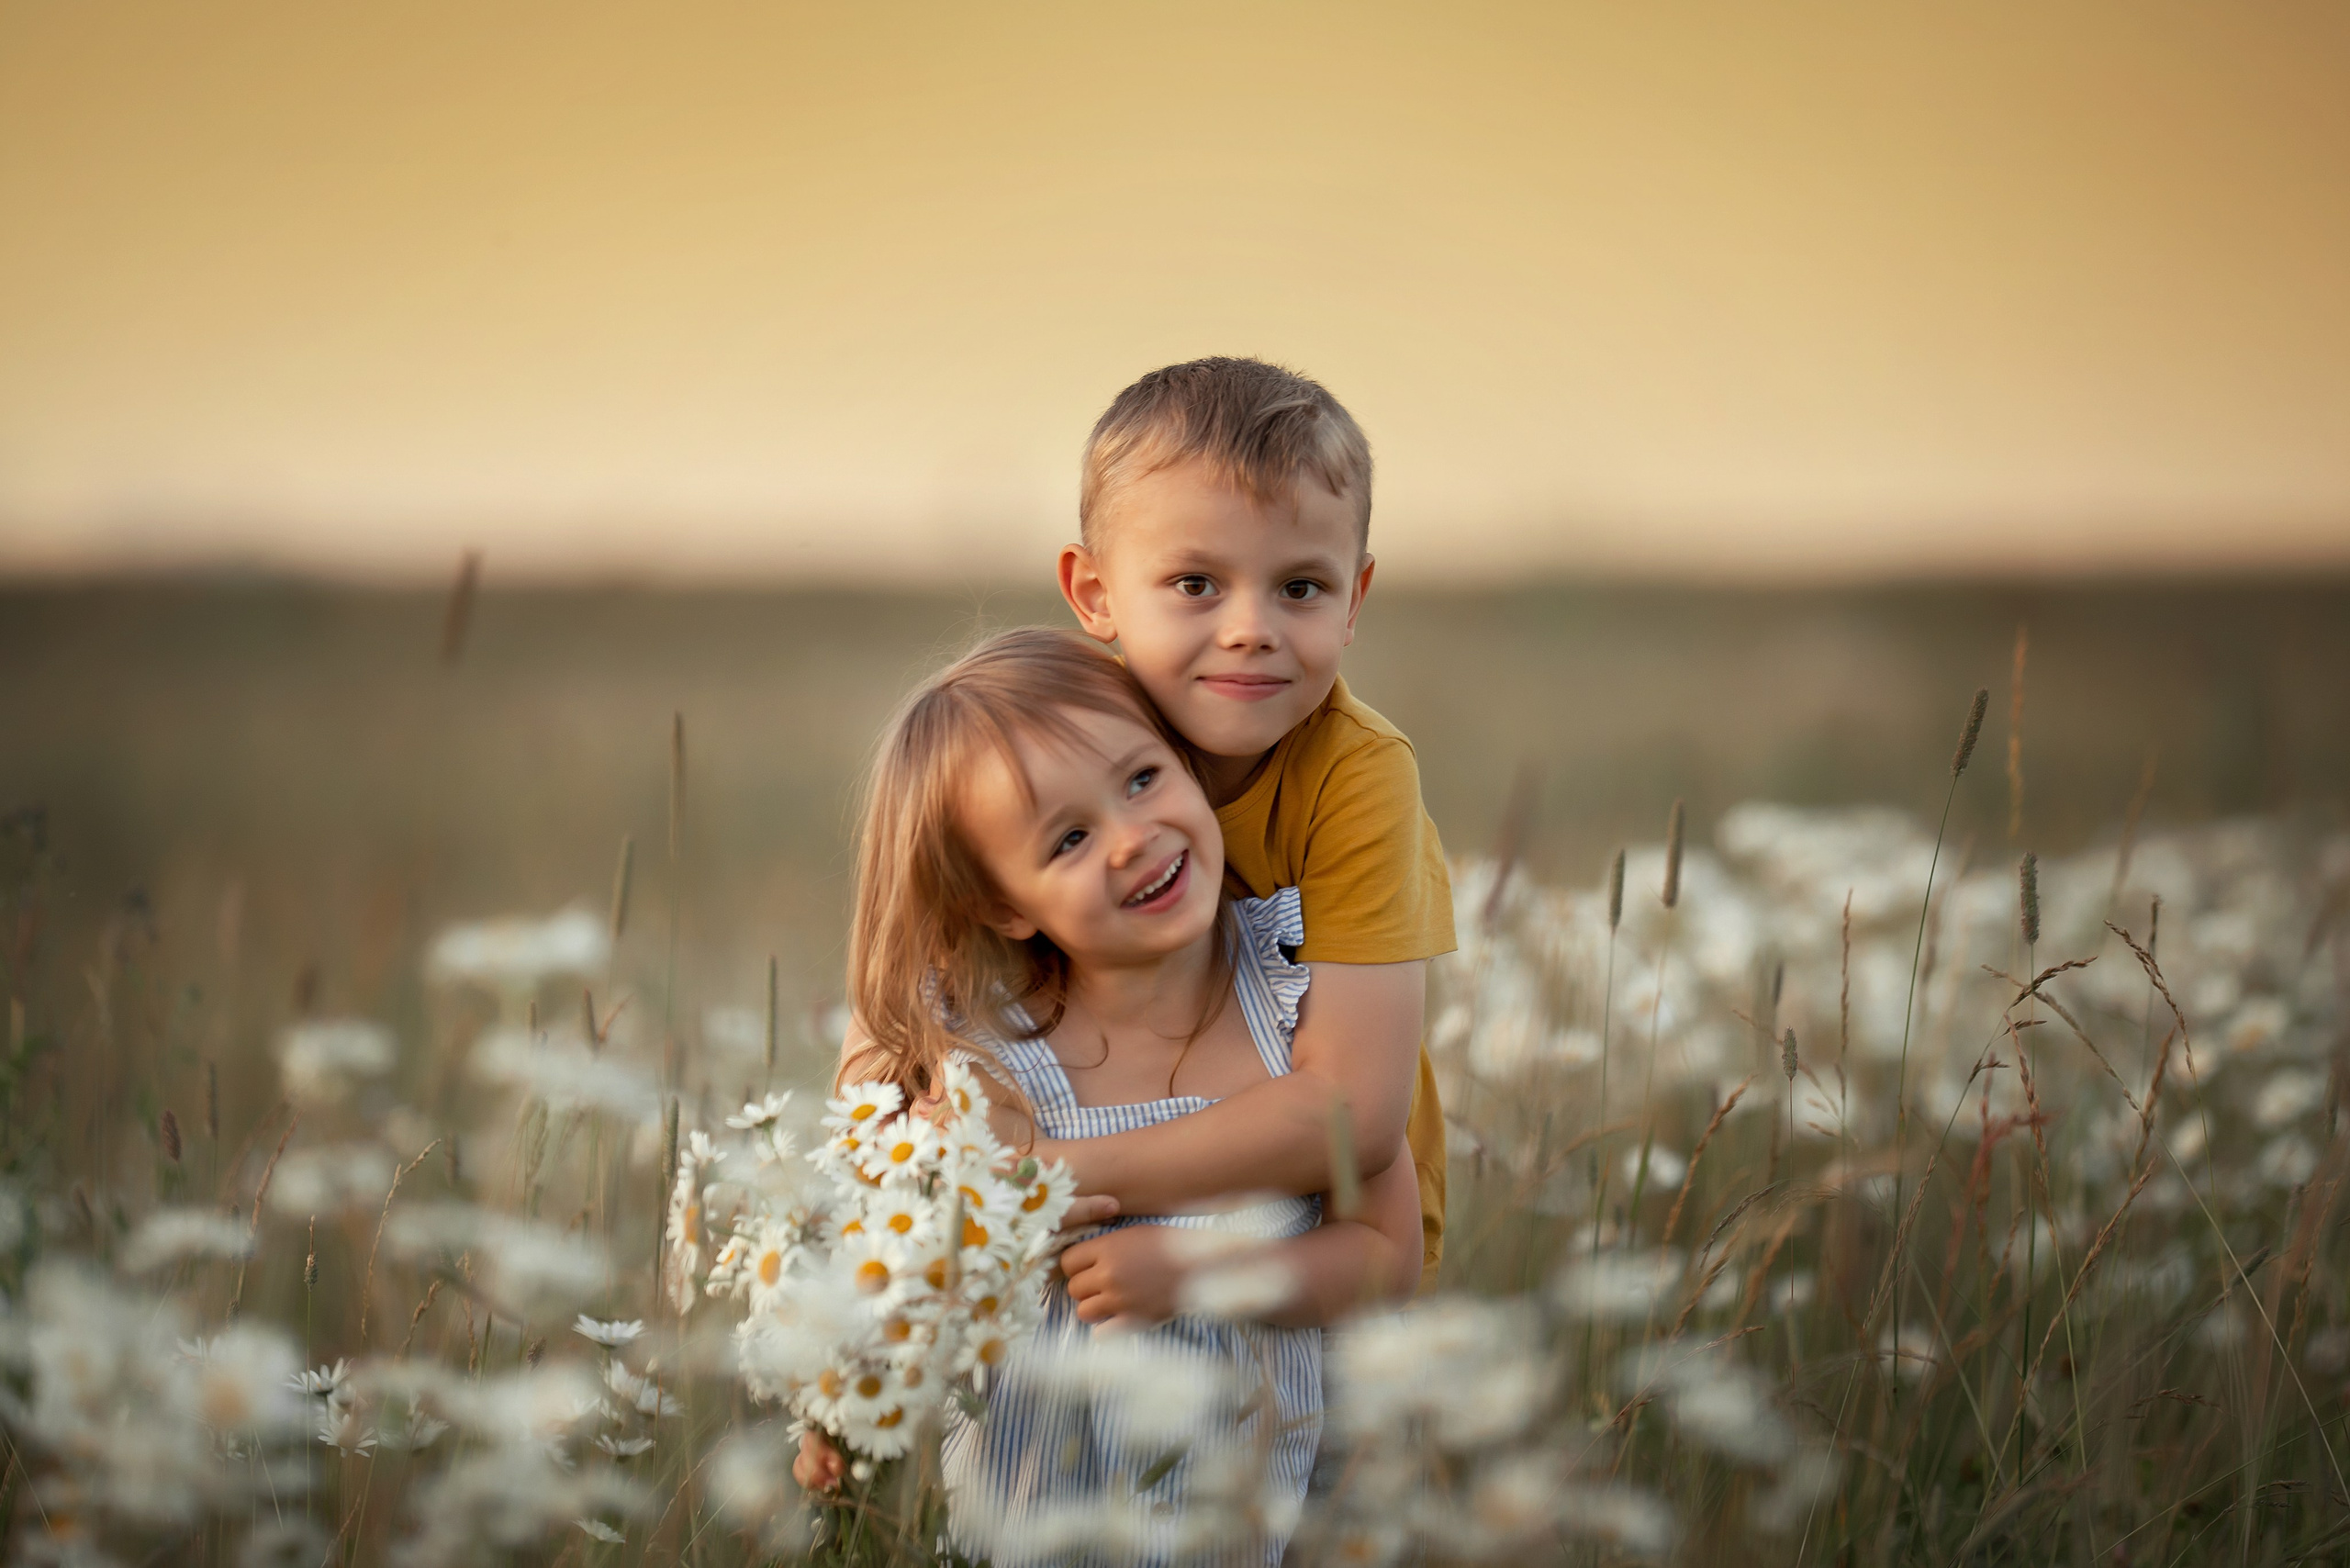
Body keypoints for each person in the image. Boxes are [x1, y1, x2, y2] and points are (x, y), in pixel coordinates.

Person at [812, 630, 1421, 1563]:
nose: (1132, 837)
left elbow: (1385, 1256)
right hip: (1025, 1522)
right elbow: (887, 1249)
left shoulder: (1299, 1007)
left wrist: (1196, 1275)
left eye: (1142, 779)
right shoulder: (989, 1058)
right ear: (1005, 906)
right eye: (1068, 838)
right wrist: (841, 1392)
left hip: (1254, 1524)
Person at [1045, 356, 1456, 1307]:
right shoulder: (1056, 741)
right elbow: (912, 973)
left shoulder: (1355, 774)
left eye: (1299, 588)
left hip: (1313, 1244)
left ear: (1353, 598)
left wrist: (1043, 1174)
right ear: (1095, 592)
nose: (1249, 629)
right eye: (1195, 582)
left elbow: (1351, 1122)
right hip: (1107, 1198)